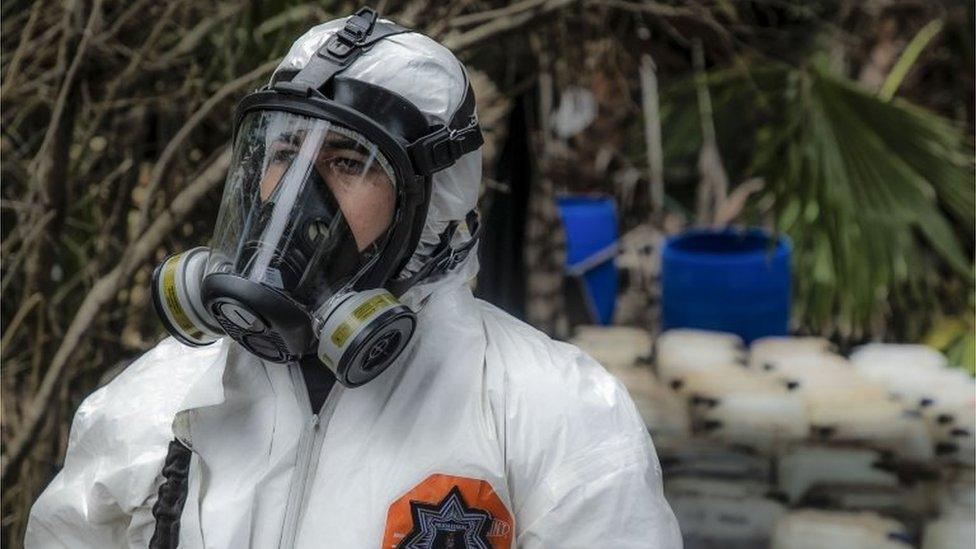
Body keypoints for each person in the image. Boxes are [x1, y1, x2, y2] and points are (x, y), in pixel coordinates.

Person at [26, 8, 681, 548]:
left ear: (434, 207)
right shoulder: (157, 406)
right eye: (284, 153)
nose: (296, 195)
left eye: (348, 161)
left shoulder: (552, 412)